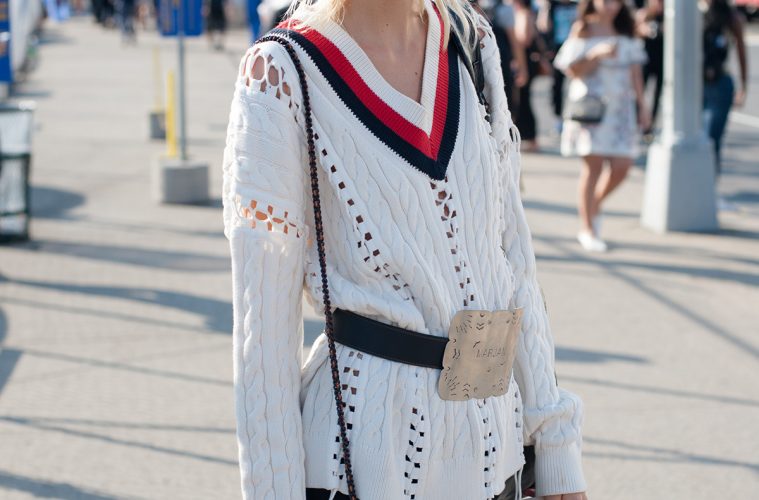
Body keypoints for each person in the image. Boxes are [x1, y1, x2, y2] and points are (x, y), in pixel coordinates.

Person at [222, 0, 588, 499]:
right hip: (363, 463)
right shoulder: (282, 72)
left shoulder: (471, 42)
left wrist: (556, 444)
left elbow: (512, 260)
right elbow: (263, 341)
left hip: (496, 455)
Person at [554, 0, 649, 252]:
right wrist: (595, 54)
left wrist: (643, 106)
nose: (611, 6)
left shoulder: (626, 30)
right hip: (591, 108)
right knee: (593, 167)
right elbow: (572, 70)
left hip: (621, 108)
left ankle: (593, 205)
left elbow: (636, 73)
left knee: (622, 165)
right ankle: (588, 227)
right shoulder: (583, 28)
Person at [701, 0, 748, 211]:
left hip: (720, 84)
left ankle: (710, 190)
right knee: (699, 137)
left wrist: (743, 86)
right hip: (697, 86)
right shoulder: (694, 13)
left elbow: (741, 51)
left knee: (713, 139)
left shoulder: (730, 16)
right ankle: (699, 188)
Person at [512, 0, 551, 152]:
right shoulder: (528, 13)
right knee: (524, 100)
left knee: (523, 101)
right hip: (528, 61)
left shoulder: (523, 14)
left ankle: (531, 138)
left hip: (525, 61)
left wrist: (512, 40)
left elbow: (524, 38)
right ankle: (530, 138)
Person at [537, 0, 579, 133]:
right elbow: (543, 26)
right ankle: (558, 117)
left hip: (575, 48)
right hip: (557, 48)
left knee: (577, 83)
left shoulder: (576, 6)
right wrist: (545, 8)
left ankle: (576, 113)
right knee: (557, 84)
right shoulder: (552, 6)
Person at [481, 0, 529, 101]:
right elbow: (514, 42)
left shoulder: (472, 7)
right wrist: (522, 68)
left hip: (479, 64)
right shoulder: (505, 9)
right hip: (501, 64)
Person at [635, 0, 664, 138]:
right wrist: (644, 30)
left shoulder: (668, 17)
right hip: (646, 60)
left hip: (661, 60)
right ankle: (638, 120)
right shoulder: (644, 14)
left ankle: (650, 125)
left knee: (657, 95)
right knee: (640, 91)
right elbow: (634, 31)